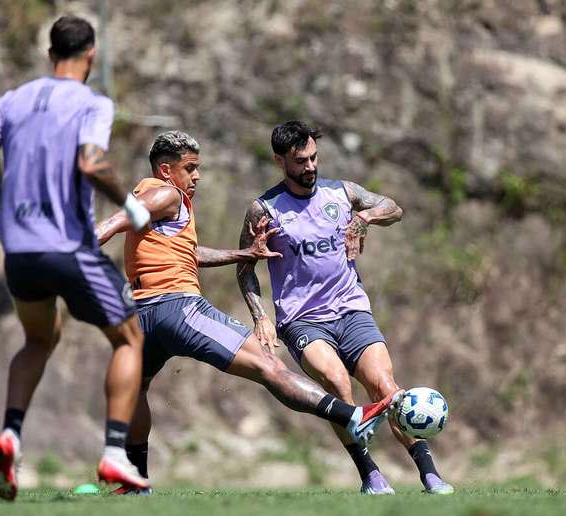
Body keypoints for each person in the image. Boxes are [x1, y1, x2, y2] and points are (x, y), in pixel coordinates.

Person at [96, 130, 404, 494]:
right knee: (268, 366)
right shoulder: (166, 193)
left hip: (141, 316)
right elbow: (115, 222)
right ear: (166, 170)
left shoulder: (154, 200)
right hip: (178, 308)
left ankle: (136, 481)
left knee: (137, 389)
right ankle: (353, 415)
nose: (197, 177)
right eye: (190, 168)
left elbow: (189, 254)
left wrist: (243, 255)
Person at [0, 16, 153, 501]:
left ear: (50, 55)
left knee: (39, 338)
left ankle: (11, 436)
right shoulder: (92, 103)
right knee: (129, 338)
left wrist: (5, 200)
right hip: (68, 247)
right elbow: (91, 162)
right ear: (90, 55)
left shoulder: (14, 99)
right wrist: (128, 205)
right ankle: (114, 455)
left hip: (20, 251)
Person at [236, 120, 454, 495]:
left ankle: (429, 473)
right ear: (279, 161)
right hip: (302, 320)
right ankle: (369, 473)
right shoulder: (265, 209)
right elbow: (245, 267)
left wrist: (365, 218)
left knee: (386, 388)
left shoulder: (342, 193)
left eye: (314, 157)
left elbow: (394, 208)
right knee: (337, 383)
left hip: (351, 311)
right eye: (300, 160)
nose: (310, 167)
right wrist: (260, 317)